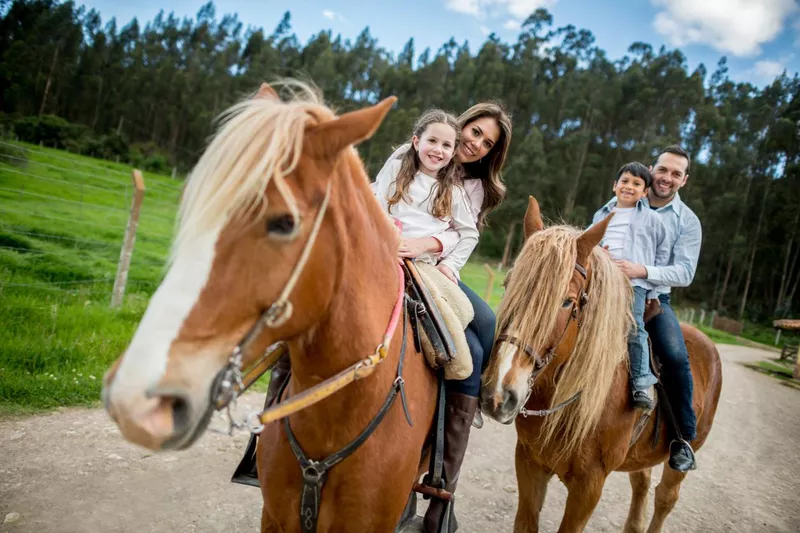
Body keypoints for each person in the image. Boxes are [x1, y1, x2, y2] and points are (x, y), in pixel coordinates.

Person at [612, 145, 702, 473]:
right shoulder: (617, 202)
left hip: (653, 298)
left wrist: (642, 271)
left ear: (684, 180)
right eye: (663, 170)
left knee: (675, 355)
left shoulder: (687, 222)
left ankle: (682, 437)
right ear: (652, 170)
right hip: (607, 289)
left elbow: (684, 272)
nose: (667, 178)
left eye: (676, 173)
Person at [591, 162, 669, 411]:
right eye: (624, 181)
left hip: (633, 283)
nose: (629, 187)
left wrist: (652, 291)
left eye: (637, 184)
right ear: (615, 185)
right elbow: (589, 242)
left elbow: (660, 258)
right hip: (602, 279)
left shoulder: (652, 220)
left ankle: (640, 382)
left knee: (633, 328)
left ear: (645, 192)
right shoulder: (601, 214)